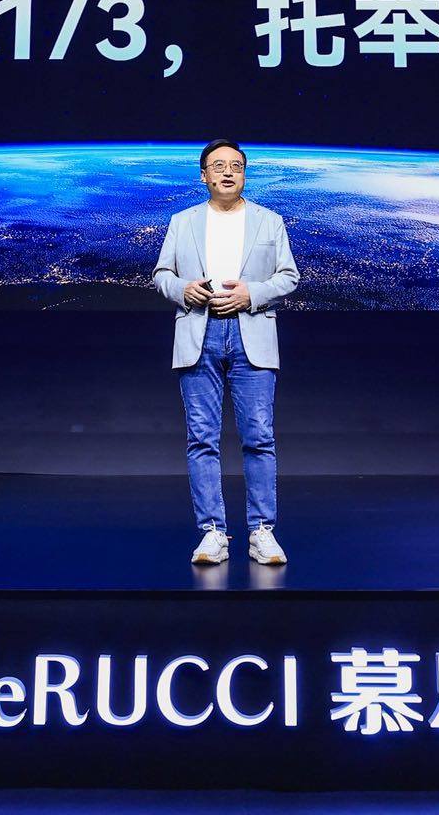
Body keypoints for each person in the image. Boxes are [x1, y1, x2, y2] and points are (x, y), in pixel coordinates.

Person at [151, 140, 300, 567]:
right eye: (218, 166)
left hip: (251, 333)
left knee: (259, 437)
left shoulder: (269, 221)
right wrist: (182, 288)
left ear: (245, 174)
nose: (228, 172)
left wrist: (253, 293)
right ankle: (212, 533)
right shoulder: (182, 221)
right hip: (199, 334)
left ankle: (262, 531)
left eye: (236, 165)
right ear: (204, 175)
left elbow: (288, 276)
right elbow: (161, 274)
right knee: (202, 438)